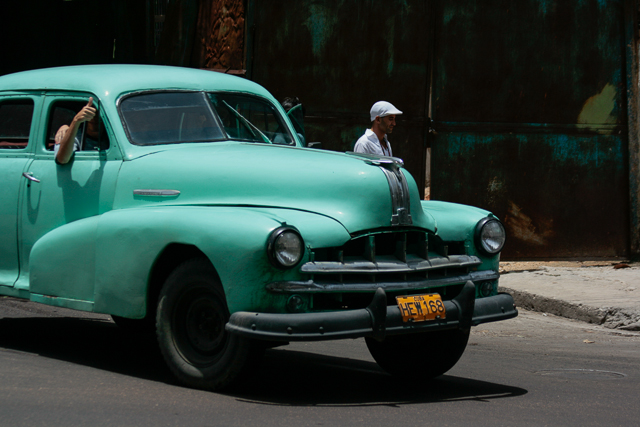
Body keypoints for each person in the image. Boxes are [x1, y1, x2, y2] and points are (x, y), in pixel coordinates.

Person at [54, 97, 97, 164]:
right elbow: (62, 159)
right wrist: (76, 121)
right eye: (90, 113)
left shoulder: (112, 136)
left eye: (98, 114)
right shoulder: (75, 135)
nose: (94, 118)